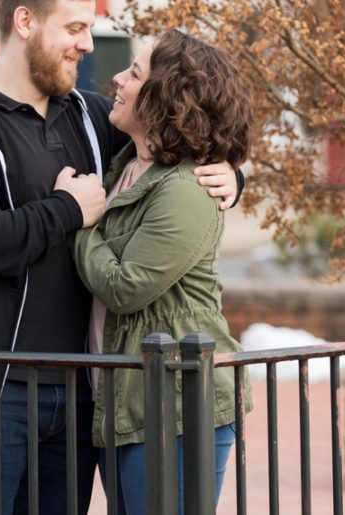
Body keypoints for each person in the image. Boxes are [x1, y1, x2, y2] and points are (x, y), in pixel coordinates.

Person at [0, 0, 243, 515]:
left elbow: (170, 147)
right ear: (25, 21)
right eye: (75, 27)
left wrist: (229, 171)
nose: (88, 44)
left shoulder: (89, 114)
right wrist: (66, 209)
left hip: (78, 390)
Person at [73, 29, 257, 515]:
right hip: (128, 401)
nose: (115, 77)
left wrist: (77, 220)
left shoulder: (184, 188)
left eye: (134, 73)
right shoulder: (127, 165)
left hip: (174, 407)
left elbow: (124, 287)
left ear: (167, 99)